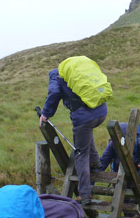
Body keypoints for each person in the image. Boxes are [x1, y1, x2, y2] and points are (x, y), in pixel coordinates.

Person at [39, 66, 107, 205]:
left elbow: (54, 93)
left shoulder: (55, 75)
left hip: (84, 117)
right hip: (101, 112)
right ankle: (95, 162)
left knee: (81, 153)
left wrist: (45, 114)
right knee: (86, 132)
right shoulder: (78, 70)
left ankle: (85, 194)